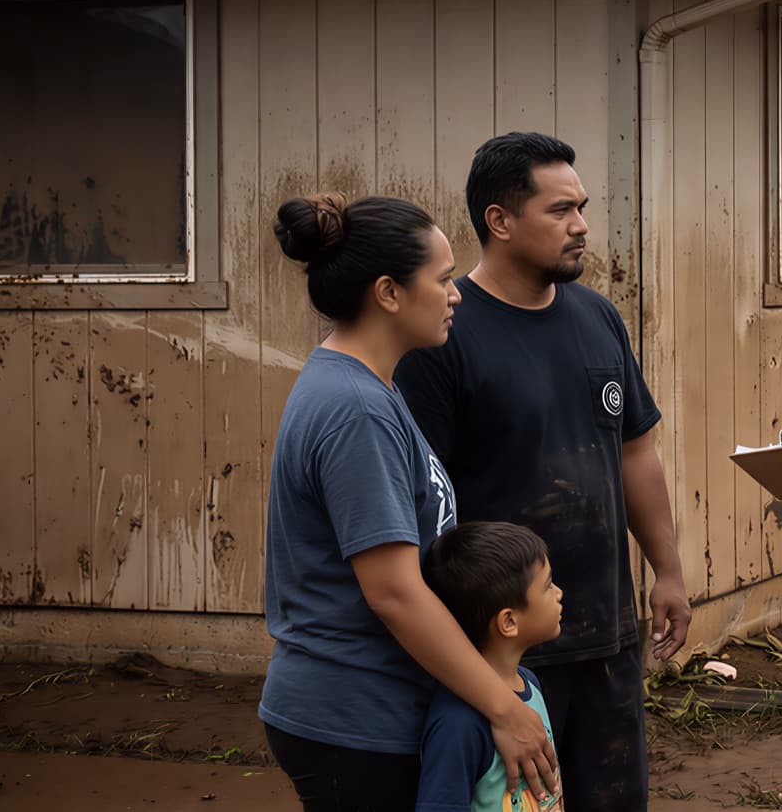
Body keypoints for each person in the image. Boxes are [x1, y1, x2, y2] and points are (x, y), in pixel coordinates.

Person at [397, 132, 684, 812]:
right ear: (499, 220)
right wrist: (481, 678)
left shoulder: (597, 317)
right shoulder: (443, 337)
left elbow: (634, 450)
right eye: (561, 211)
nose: (581, 226)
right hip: (507, 655)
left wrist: (667, 570)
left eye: (581, 207)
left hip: (607, 639)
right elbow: (423, 504)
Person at [261, 194, 557, 810]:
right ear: (389, 292)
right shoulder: (357, 410)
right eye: (444, 279)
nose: (456, 295)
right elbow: (394, 592)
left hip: (366, 709)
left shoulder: (370, 387)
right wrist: (504, 707)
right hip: (353, 717)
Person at [419, 521, 565, 812]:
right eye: (548, 586)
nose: (559, 593)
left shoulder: (530, 683)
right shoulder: (457, 722)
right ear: (508, 622)